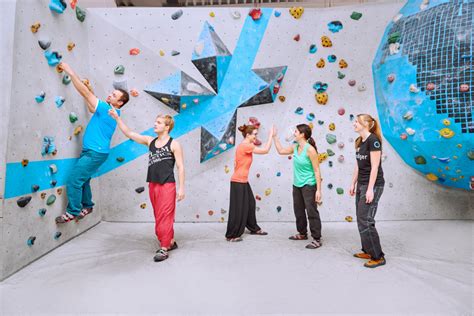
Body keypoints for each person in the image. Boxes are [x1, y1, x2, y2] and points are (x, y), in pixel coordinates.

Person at [55, 62, 129, 223]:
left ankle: (72, 211)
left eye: (114, 96)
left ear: (120, 102)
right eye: (111, 93)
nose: (110, 95)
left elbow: (84, 93)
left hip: (94, 153)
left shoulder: (107, 110)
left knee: (74, 181)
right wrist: (91, 91)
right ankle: (87, 206)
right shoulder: (110, 110)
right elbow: (91, 107)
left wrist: (70, 71)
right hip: (95, 153)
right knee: (84, 180)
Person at [109, 110, 185, 262]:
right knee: (158, 216)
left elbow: (180, 167)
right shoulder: (150, 141)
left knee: (165, 216)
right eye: (155, 122)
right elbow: (130, 133)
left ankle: (164, 248)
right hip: (153, 184)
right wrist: (117, 118)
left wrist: (182, 188)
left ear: (167, 126)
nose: (155, 124)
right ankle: (170, 241)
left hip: (167, 184)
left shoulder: (174, 144)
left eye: (158, 123)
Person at [273, 124, 323, 249]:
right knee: (298, 210)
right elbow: (281, 151)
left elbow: (317, 170)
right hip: (297, 184)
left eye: (295, 131)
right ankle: (302, 233)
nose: (293, 133)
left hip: (309, 185)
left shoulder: (310, 150)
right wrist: (274, 137)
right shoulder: (295, 147)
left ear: (302, 134)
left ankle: (317, 239)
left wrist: (319, 190)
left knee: (311, 211)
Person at [225, 124, 274, 242]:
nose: (256, 136)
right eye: (255, 134)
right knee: (238, 208)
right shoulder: (246, 145)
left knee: (250, 203)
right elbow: (266, 150)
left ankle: (253, 228)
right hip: (238, 181)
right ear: (248, 135)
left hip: (242, 180)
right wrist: (271, 135)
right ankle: (232, 235)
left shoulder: (246, 145)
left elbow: (236, 163)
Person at [349, 114, 386, 268]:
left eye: (357, 122)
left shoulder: (373, 141)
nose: (354, 124)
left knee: (366, 219)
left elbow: (375, 167)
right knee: (360, 218)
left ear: (366, 124)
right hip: (362, 184)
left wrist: (370, 189)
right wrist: (353, 183)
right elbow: (358, 165)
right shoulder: (360, 141)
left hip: (373, 185)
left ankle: (378, 257)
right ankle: (367, 250)